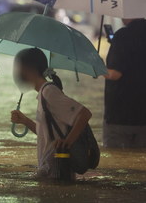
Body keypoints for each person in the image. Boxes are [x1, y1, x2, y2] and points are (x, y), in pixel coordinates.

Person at [9, 48, 92, 178]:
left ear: (30, 68)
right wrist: (25, 121)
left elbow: (84, 114)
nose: (17, 72)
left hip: (58, 170)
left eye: (20, 67)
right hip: (50, 169)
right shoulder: (43, 93)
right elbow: (47, 134)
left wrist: (67, 143)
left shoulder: (49, 92)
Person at [103, 18, 146, 148]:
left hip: (120, 114)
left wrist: (96, 67)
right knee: (141, 159)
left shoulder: (122, 36)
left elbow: (114, 74)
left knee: (118, 162)